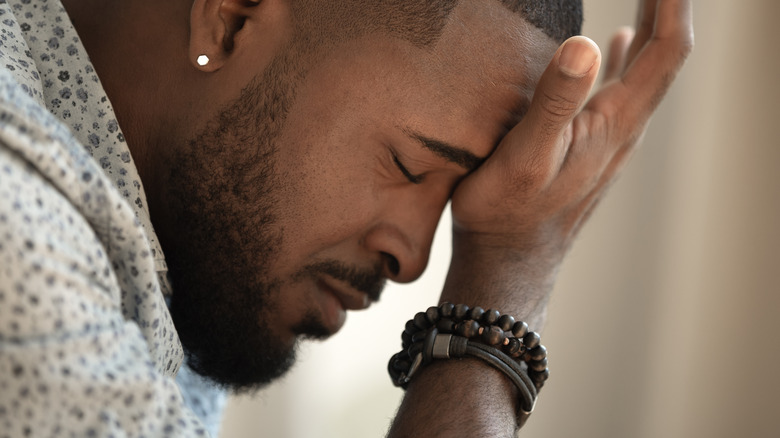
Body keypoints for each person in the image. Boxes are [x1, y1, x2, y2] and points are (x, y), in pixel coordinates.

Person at [0, 0, 692, 436]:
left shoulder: (172, 235)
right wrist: (506, 277)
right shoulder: (17, 229)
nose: (415, 258)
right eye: (409, 167)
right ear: (232, 18)